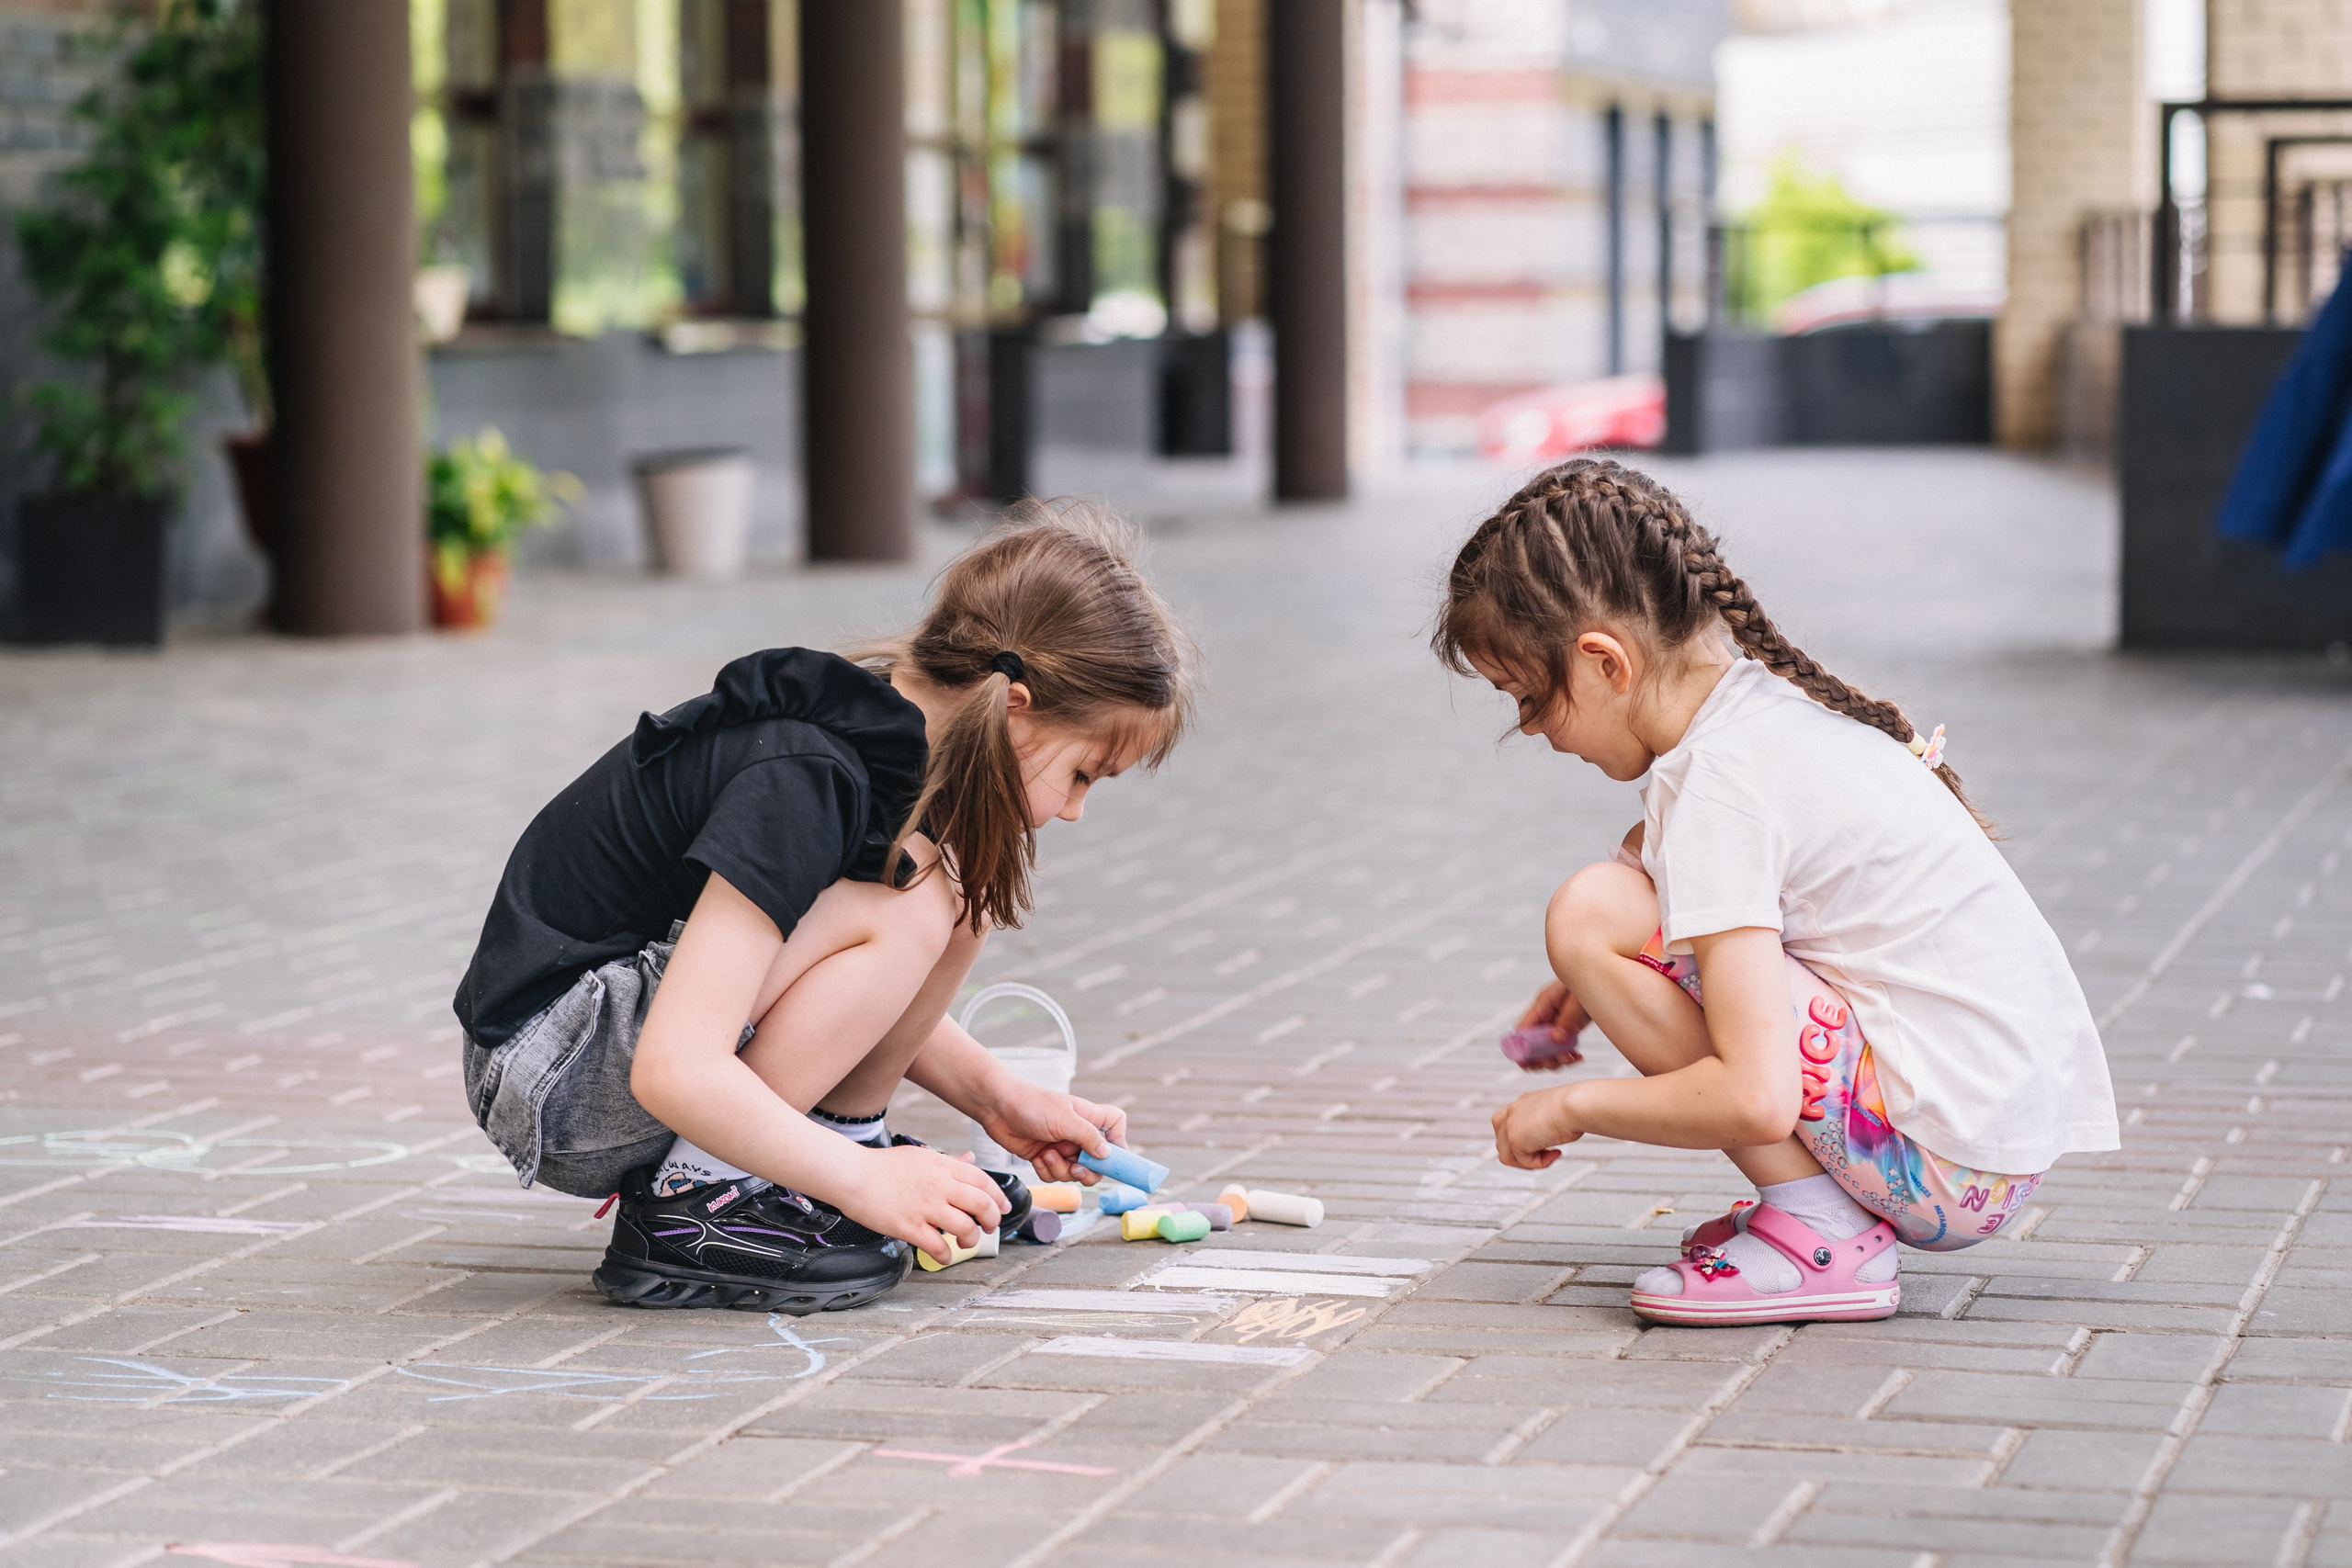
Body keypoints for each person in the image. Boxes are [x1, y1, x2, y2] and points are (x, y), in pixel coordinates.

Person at [452, 502, 1194, 1314]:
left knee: (954, 890)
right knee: (915, 899)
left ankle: (830, 1144)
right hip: (551, 1073)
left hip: (604, 1049)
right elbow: (676, 1064)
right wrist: (864, 1183)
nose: (1078, 808)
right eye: (1085, 773)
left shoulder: (886, 739)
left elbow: (829, 977)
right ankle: (698, 1203)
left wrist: (997, 1097)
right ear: (1015, 706)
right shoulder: (808, 778)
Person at [1434, 458, 2117, 1325]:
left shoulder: (1723, 784)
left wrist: (1569, 1106)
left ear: (1604, 661)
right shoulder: (1758, 715)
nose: (1531, 728)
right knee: (1611, 907)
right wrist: (1596, 982)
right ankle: (1817, 1214)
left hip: (1947, 1164)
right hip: (1979, 1138)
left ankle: (1821, 1238)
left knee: (1589, 909)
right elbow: (1669, 883)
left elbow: (1756, 1096)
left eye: (1530, 696)